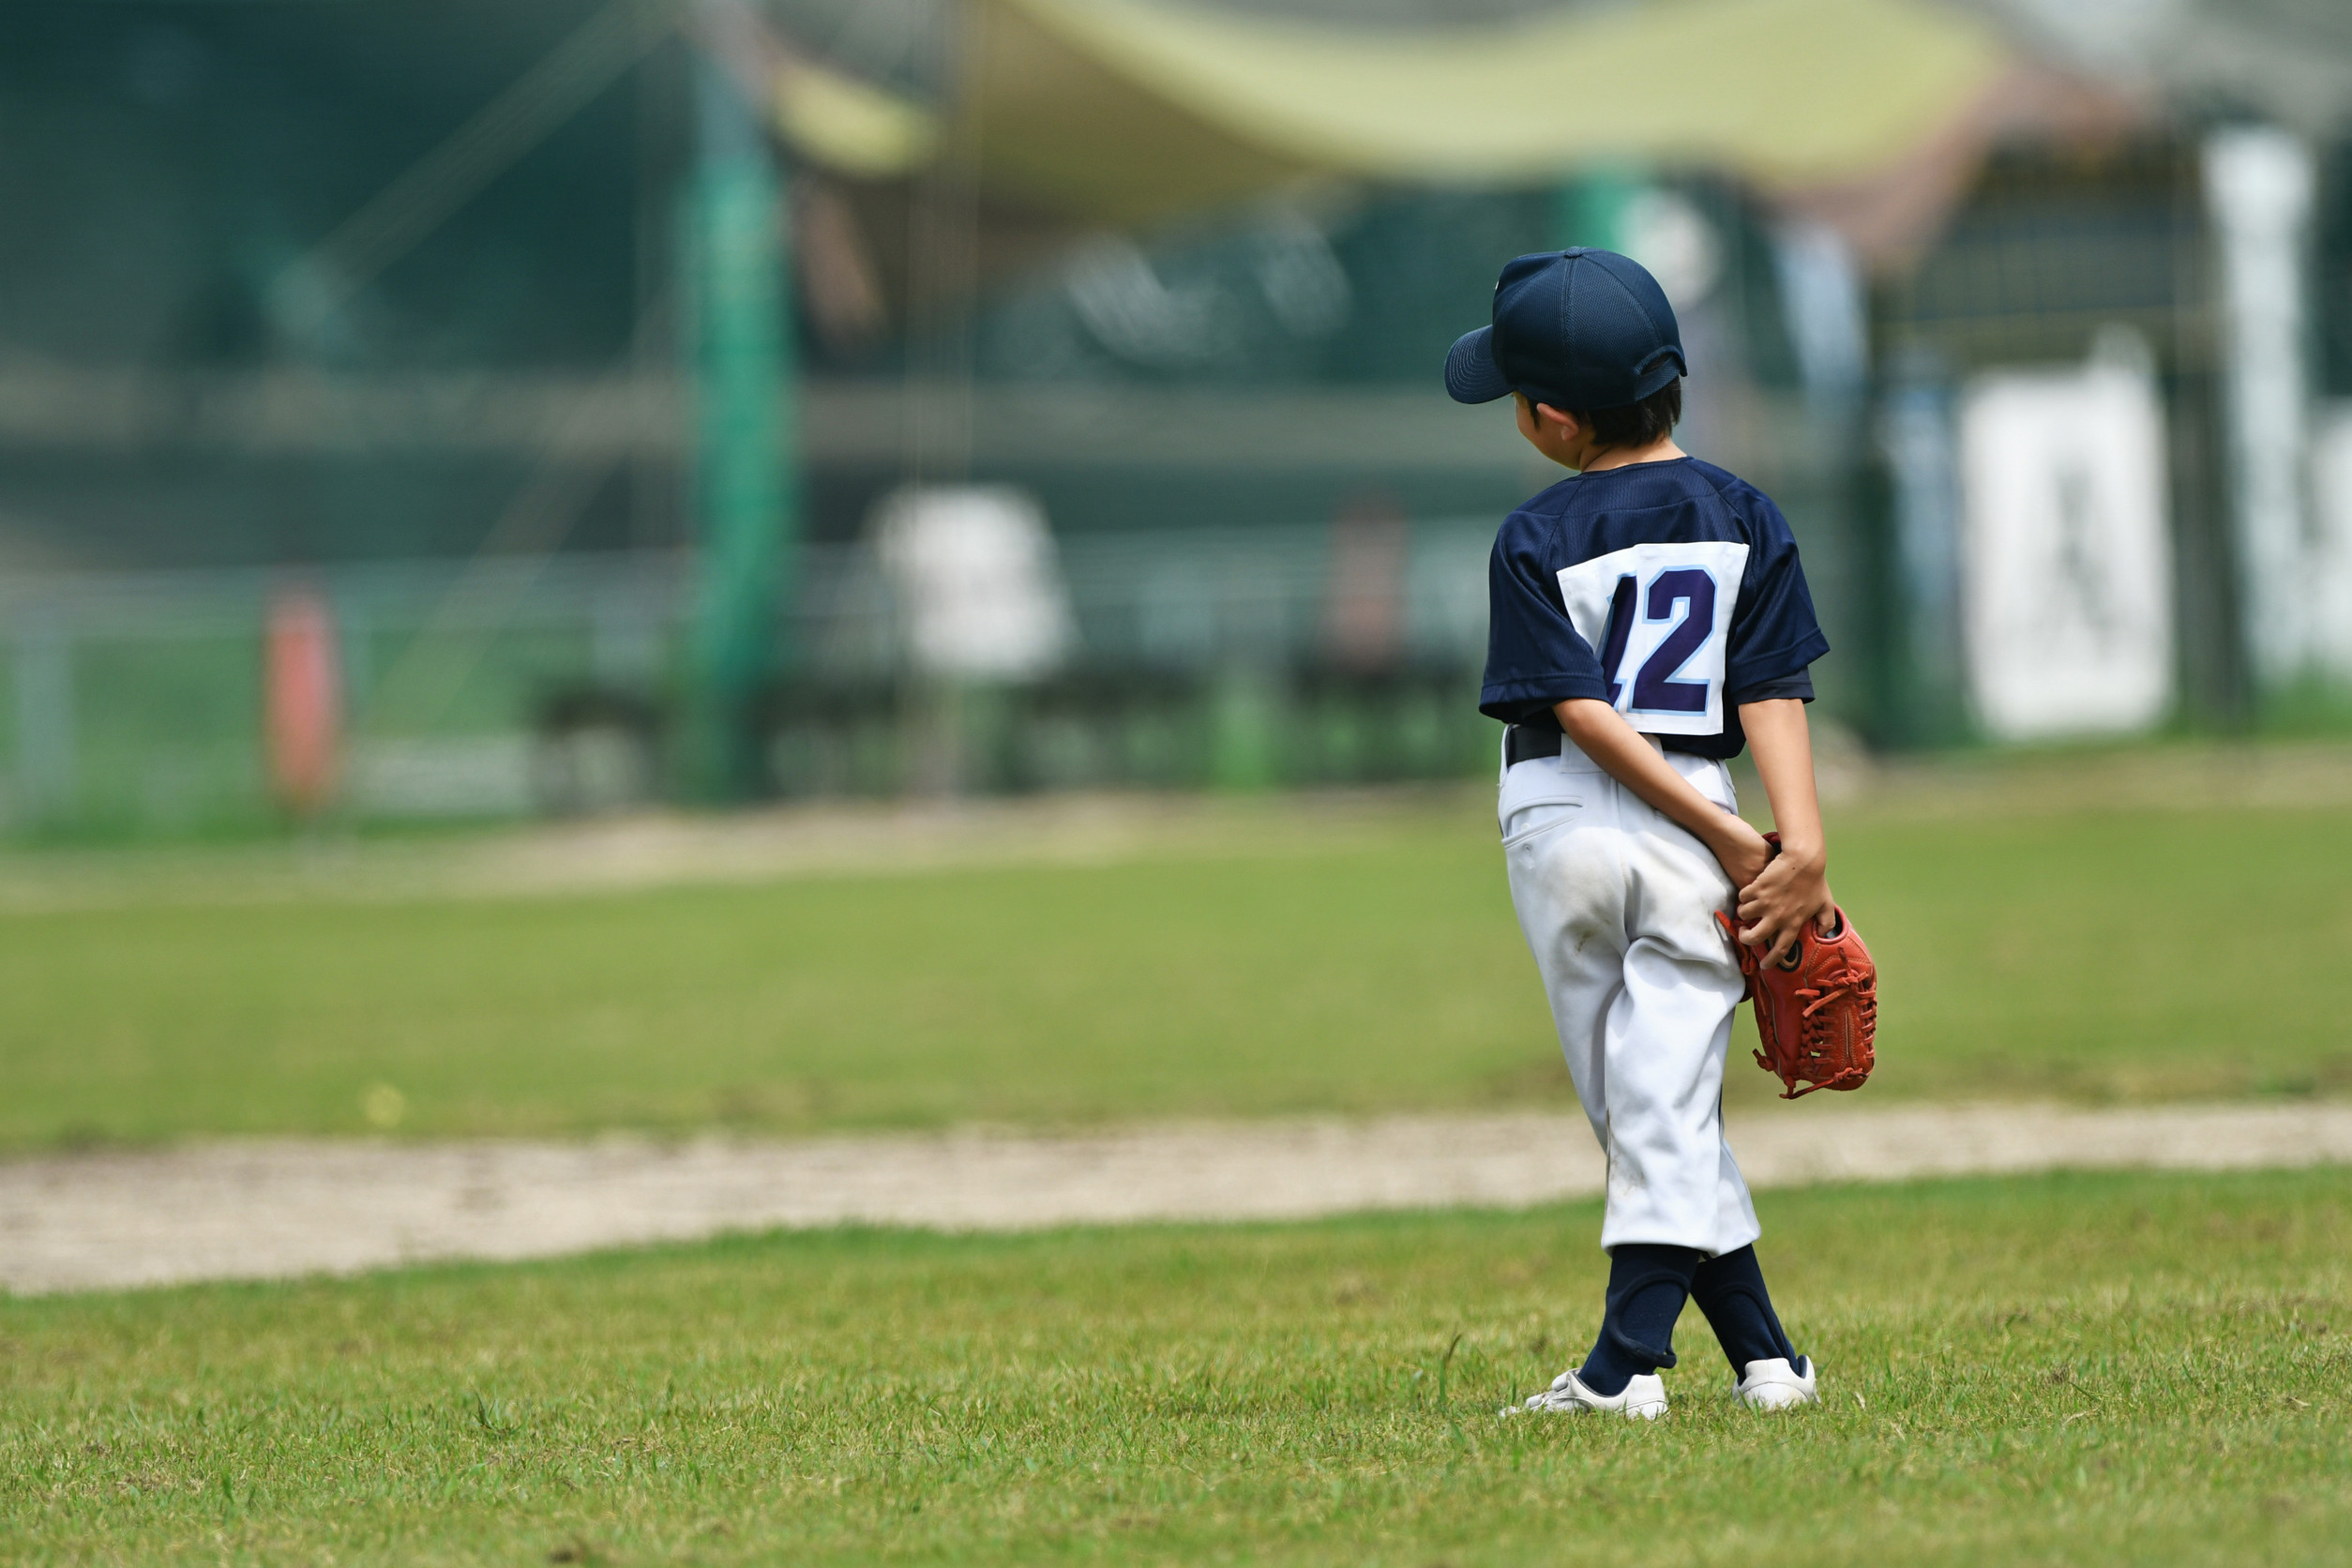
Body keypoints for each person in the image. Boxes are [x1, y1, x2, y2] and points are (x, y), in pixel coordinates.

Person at [1445, 248, 1838, 1419]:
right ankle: (1767, 1358)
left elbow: (1580, 711)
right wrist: (1787, 841)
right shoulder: (1742, 511)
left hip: (1564, 816)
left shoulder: (1533, 535)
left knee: (1640, 1103)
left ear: (1552, 418)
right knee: (1662, 1099)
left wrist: (1748, 848)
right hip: (1703, 817)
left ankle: (1623, 1370)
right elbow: (1773, 683)